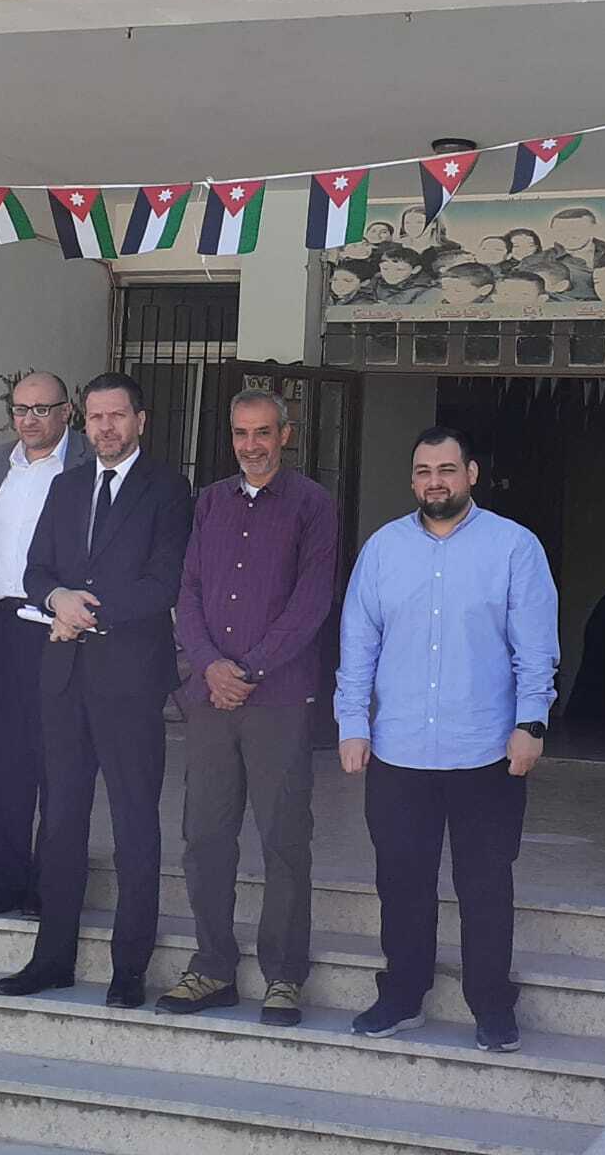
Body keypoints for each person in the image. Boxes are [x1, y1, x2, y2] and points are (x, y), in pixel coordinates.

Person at [335, 425, 558, 1054]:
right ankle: (402, 995)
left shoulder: (514, 547)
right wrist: (353, 723)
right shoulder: (383, 550)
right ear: (413, 480)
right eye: (424, 471)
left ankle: (492, 1005)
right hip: (399, 750)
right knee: (401, 883)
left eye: (447, 469)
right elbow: (358, 643)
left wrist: (531, 723)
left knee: (486, 886)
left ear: (471, 473)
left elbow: (535, 648)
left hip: (486, 750)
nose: (435, 481)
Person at [0, 373, 193, 1009]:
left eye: (117, 416)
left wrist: (87, 612)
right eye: (97, 417)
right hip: (64, 677)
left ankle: (129, 966)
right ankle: (51, 958)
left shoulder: (168, 488)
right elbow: (35, 569)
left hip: (130, 680)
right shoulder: (68, 485)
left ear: (140, 420)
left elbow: (164, 581)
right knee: (61, 821)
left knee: (134, 823)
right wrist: (57, 597)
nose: (106, 427)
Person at [157, 390, 337, 1029]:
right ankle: (212, 966)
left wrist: (250, 670)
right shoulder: (210, 501)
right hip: (211, 698)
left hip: (278, 699)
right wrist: (209, 665)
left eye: (263, 433)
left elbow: (310, 603)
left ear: (286, 434)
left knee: (284, 838)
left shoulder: (313, 505)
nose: (251, 445)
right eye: (241, 433)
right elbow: (188, 590)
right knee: (205, 837)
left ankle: (284, 976)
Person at [0, 373, 93, 918]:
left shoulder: (88, 461)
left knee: (58, 761)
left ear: (68, 411)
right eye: (21, 409)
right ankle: (7, 880)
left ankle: (51, 884)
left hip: (59, 627)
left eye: (42, 409)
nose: (30, 419)